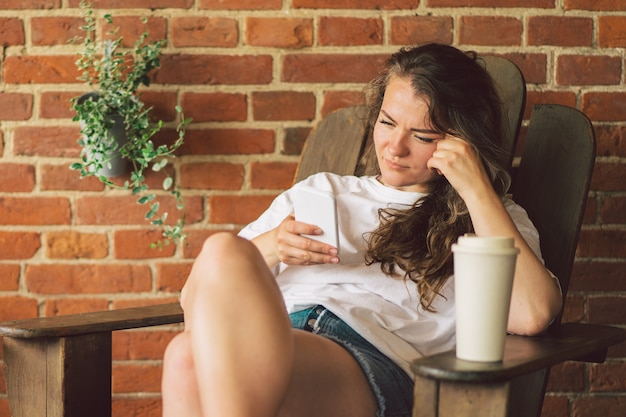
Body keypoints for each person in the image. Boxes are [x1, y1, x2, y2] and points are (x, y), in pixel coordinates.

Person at [161, 43, 563, 417]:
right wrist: (272, 246)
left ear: (461, 142)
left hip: (370, 360)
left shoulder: (489, 218)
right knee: (214, 272)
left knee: (188, 357)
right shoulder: (323, 190)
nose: (395, 147)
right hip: (277, 332)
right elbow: (195, 299)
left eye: (422, 136)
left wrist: (474, 187)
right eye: (388, 122)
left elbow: (531, 315)